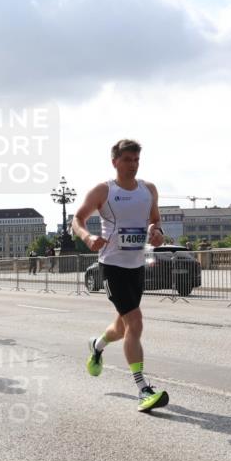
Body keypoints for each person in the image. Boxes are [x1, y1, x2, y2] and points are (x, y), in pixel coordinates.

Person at [72, 138, 169, 412]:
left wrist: (157, 232)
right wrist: (88, 236)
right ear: (115, 162)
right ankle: (143, 390)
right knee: (135, 323)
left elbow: (155, 219)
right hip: (112, 265)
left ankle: (97, 345)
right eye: (127, 160)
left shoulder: (148, 189)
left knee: (122, 327)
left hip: (136, 264)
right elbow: (76, 219)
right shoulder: (104, 190)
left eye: (137, 160)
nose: (133, 165)